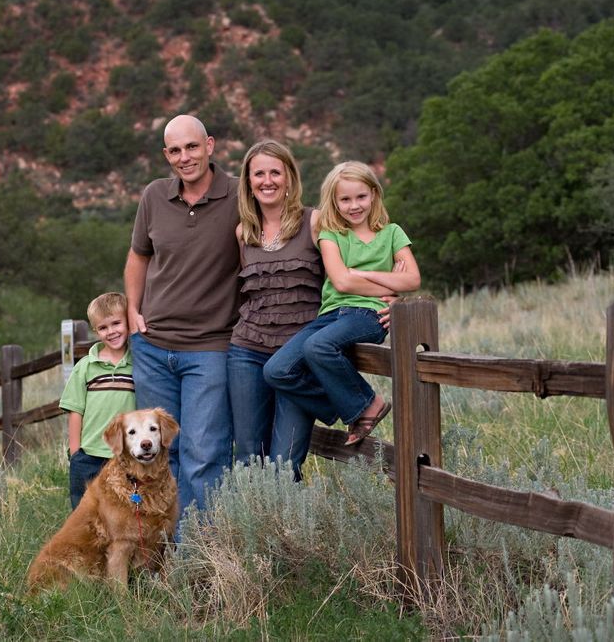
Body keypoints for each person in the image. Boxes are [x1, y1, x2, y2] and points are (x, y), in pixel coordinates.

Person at [124, 114, 240, 515]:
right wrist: (132, 311)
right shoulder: (154, 196)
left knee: (203, 454)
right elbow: (139, 256)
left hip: (210, 349)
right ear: (166, 154)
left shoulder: (241, 196)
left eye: (191, 147)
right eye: (174, 150)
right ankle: (161, 556)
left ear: (209, 145)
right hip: (152, 349)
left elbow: (293, 226)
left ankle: (199, 560)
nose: (184, 157)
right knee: (158, 456)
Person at [264, 161, 420, 447]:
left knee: (318, 346)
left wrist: (361, 273)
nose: (354, 205)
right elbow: (342, 282)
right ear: (334, 202)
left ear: (374, 194)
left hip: (369, 315)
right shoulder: (331, 234)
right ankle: (356, 404)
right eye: (345, 199)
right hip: (331, 314)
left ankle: (366, 406)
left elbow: (412, 280)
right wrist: (387, 282)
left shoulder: (392, 233)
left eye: (361, 197)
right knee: (277, 370)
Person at [227, 139, 325, 481]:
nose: (267, 181)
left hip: (297, 358)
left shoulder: (315, 222)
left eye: (275, 173)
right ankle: (252, 534)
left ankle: (289, 533)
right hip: (247, 353)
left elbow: (344, 277)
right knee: (249, 455)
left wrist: (381, 301)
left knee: (285, 463)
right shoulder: (244, 233)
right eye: (258, 174)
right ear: (248, 182)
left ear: (289, 179)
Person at [59, 292, 135, 509]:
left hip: (126, 456)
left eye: (116, 323)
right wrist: (76, 454)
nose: (111, 332)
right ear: (96, 331)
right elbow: (75, 411)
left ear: (128, 322)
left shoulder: (137, 364)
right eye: (103, 327)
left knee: (124, 513)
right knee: (85, 514)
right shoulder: (85, 366)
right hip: (89, 456)